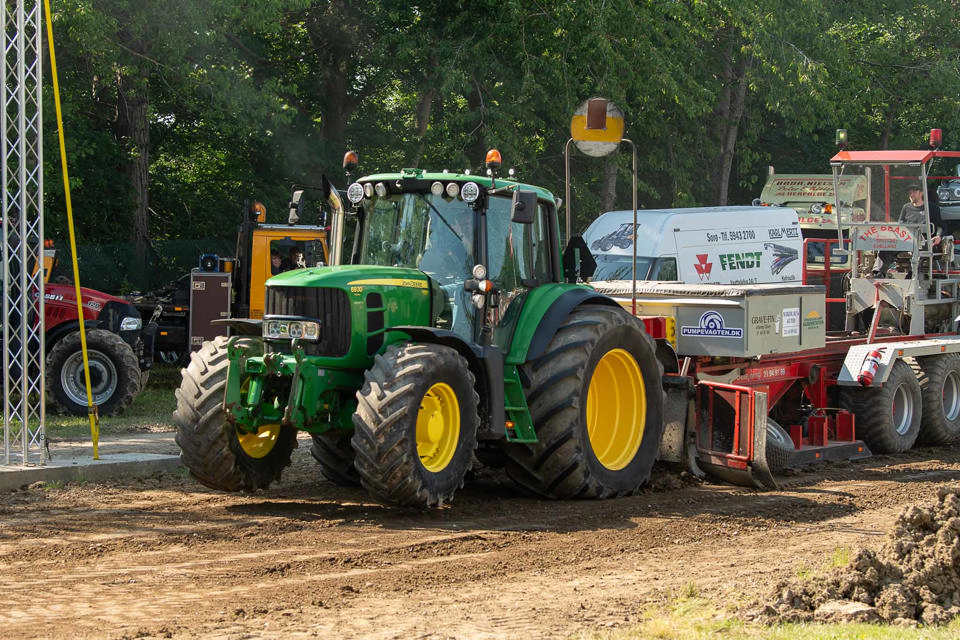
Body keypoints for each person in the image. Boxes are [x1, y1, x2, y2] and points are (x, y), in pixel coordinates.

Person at [872, 183, 939, 277]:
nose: (911, 194)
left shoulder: (932, 208)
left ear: (921, 193)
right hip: (905, 240)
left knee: (919, 249)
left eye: (914, 192)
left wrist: (939, 236)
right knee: (886, 247)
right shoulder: (906, 207)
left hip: (923, 241)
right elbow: (901, 224)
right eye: (910, 192)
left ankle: (913, 274)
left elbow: (941, 225)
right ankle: (878, 272)